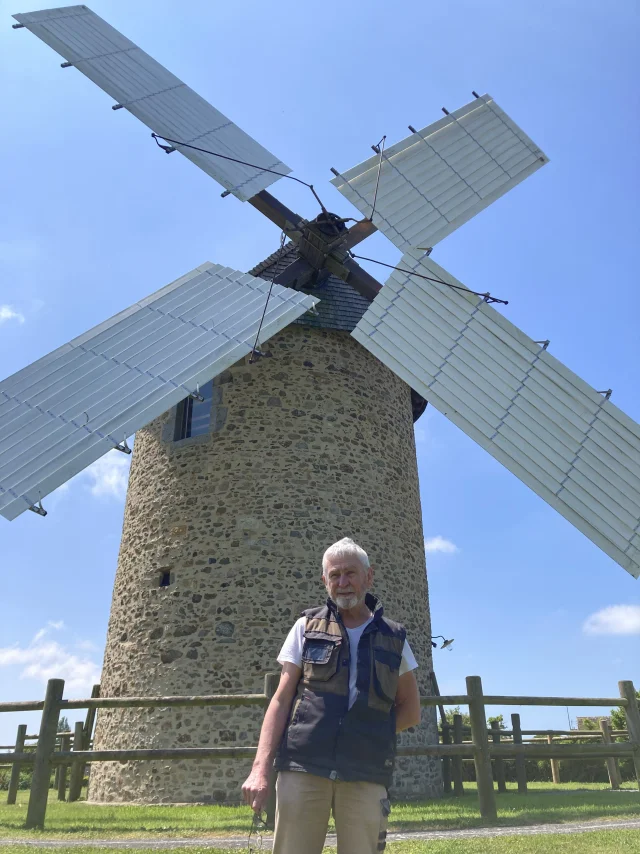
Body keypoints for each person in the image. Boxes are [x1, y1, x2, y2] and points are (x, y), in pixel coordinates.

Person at [242, 537, 421, 854]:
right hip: (303, 765)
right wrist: (260, 769)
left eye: (350, 573)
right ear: (324, 581)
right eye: (334, 575)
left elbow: (410, 710)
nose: (343, 583)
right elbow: (281, 700)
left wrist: (365, 733)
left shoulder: (394, 637)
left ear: (369, 576)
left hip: (365, 770)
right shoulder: (305, 627)